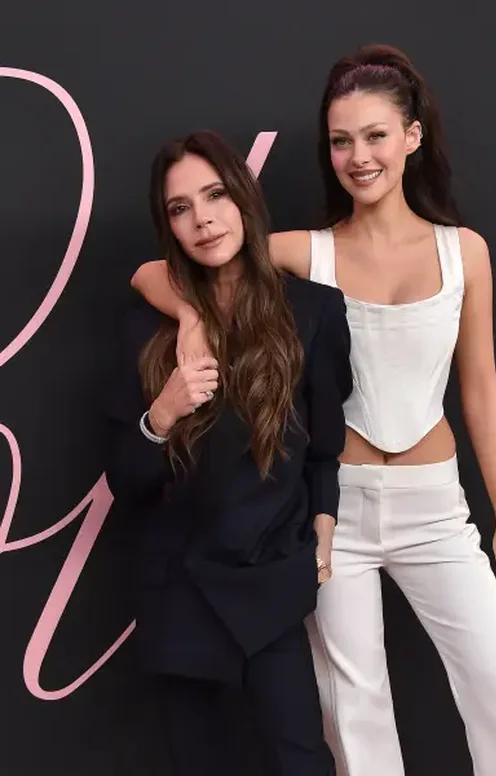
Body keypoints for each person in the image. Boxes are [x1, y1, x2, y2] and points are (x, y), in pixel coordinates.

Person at [128, 45, 496, 776]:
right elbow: (153, 271)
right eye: (340, 141)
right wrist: (194, 314)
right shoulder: (303, 252)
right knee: (356, 713)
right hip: (336, 515)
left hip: (435, 507)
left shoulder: (465, 252)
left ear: (412, 136)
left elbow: (481, 388)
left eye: (376, 135)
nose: (358, 157)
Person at [104, 129, 352, 776]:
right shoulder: (145, 323)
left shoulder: (315, 311)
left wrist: (322, 534)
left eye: (215, 195)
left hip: (269, 579)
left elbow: (325, 448)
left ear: (243, 197)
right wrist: (162, 413)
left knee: (301, 758)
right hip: (178, 588)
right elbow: (125, 480)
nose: (203, 219)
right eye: (180, 207)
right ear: (167, 225)